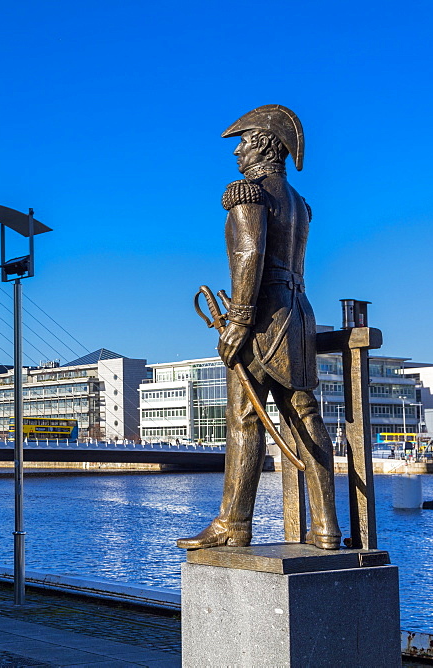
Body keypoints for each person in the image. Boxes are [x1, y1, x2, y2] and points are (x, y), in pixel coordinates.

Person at [178, 105, 341, 550]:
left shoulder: (249, 194)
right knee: (304, 413)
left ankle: (234, 522)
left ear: (265, 143)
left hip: (264, 318)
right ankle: (326, 527)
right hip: (299, 312)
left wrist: (240, 320)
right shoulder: (298, 203)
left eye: (244, 142)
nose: (237, 153)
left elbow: (249, 254)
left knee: (243, 420)